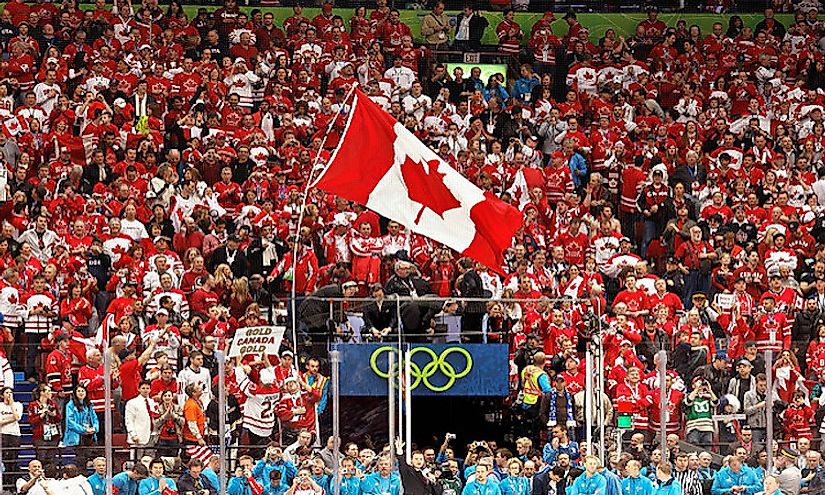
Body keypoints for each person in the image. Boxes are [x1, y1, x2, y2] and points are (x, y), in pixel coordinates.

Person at [63, 384, 99, 471]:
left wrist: (95, 428)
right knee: (80, 459)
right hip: (77, 436)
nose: (81, 393)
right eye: (78, 391)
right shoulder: (70, 405)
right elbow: (70, 422)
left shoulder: (89, 405)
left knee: (89, 457)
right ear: (75, 393)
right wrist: (84, 430)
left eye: (83, 391)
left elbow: (95, 419)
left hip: (89, 435)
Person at [125, 380, 159, 460]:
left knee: (150, 460)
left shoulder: (153, 402)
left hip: (152, 435)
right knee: (138, 460)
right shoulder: (132, 403)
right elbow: (129, 420)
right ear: (139, 389)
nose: (145, 390)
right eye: (143, 388)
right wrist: (133, 434)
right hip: (138, 436)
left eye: (147, 388)